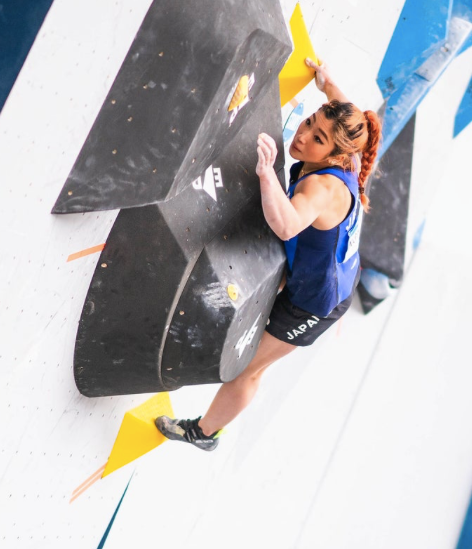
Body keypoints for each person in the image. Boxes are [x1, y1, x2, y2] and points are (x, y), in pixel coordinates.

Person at [155, 59, 382, 450]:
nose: (304, 135)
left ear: (335, 154)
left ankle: (204, 433)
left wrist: (266, 173)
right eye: (310, 121)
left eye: (318, 138)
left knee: (249, 368)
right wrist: (328, 84)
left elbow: (288, 224)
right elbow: (346, 113)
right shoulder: (347, 145)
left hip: (315, 303)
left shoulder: (324, 190)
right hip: (322, 266)